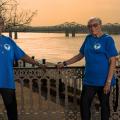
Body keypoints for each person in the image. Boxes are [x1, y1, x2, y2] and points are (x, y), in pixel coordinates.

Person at [57, 17, 118, 120]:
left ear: (100, 25)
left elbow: (113, 61)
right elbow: (80, 55)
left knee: (104, 107)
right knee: (84, 105)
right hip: (89, 81)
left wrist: (108, 82)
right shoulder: (88, 38)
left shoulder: (108, 39)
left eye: (95, 25)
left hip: (104, 82)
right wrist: (64, 63)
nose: (92, 28)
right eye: (89, 26)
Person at [0, 16, 45, 120]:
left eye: (1, 23)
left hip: (7, 83)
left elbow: (23, 56)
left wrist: (38, 64)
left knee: (12, 114)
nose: (0, 25)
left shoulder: (9, 41)